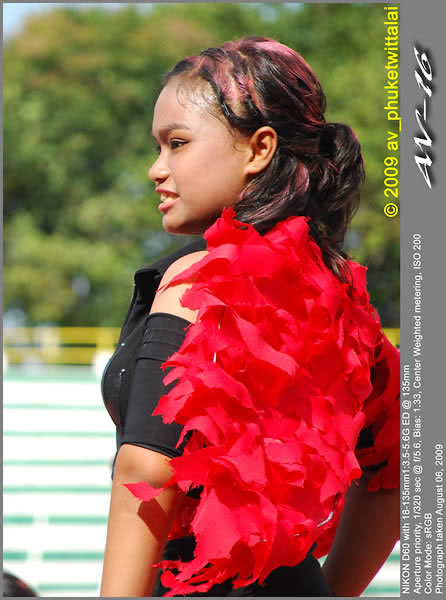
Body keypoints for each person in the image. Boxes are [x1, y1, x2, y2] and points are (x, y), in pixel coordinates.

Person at [100, 36, 400, 597]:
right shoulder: (344, 302)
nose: (156, 169)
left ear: (259, 149)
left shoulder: (197, 280)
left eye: (177, 144)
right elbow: (399, 460)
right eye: (158, 147)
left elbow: (147, 470)